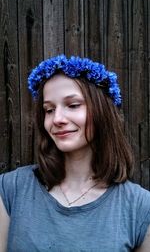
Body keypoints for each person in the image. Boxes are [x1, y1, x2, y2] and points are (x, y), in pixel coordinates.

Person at [0, 55, 150, 252]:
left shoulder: (140, 207)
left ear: (102, 112)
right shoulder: (11, 189)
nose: (57, 119)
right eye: (49, 109)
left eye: (73, 105)